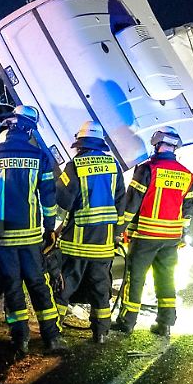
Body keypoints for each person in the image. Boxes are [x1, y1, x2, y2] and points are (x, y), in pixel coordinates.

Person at [0, 105, 67, 355]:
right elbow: (48, 199)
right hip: (31, 234)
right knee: (38, 284)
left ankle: (20, 341)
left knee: (12, 286)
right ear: (29, 129)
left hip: (2, 235)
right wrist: (49, 229)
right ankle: (52, 338)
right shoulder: (40, 157)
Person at [115, 125, 193, 336]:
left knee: (135, 277)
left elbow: (131, 204)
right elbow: (187, 209)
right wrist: (182, 235)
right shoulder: (186, 175)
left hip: (146, 236)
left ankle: (127, 321)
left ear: (157, 144)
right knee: (166, 278)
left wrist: (118, 229)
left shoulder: (147, 169)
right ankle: (165, 323)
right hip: (171, 238)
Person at [54, 122, 125, 343]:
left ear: (81, 143)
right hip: (103, 243)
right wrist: (116, 231)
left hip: (76, 241)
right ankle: (101, 332)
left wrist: (54, 228)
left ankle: (54, 329)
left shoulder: (75, 165)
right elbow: (121, 202)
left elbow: (62, 200)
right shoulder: (114, 165)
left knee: (65, 285)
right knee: (100, 288)